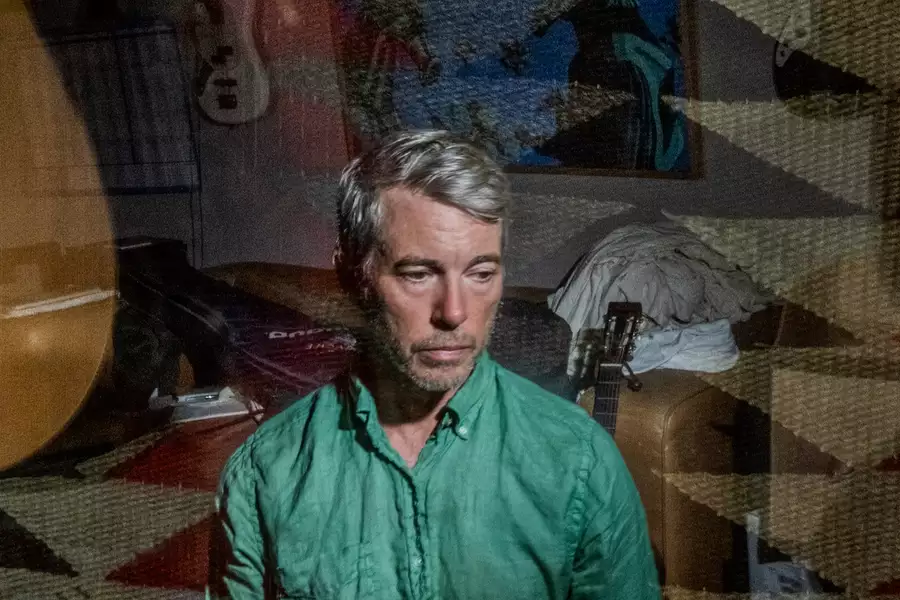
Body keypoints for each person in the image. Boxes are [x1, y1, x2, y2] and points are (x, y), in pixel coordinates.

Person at [208, 130, 661, 599]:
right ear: (351, 274)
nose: (455, 312)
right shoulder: (267, 471)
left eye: (481, 273)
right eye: (419, 274)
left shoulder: (579, 460)